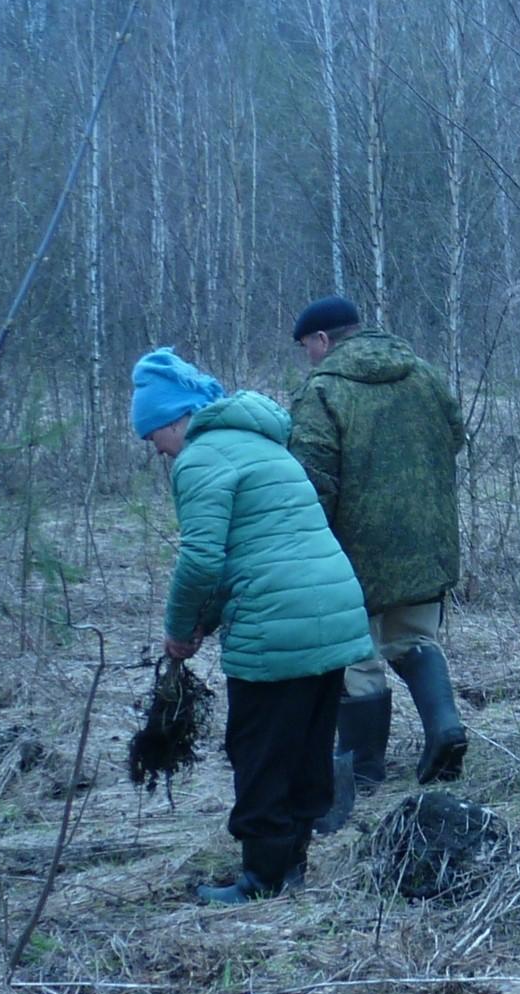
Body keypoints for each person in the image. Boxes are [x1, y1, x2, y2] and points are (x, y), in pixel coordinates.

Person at [132, 348, 372, 904]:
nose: (156, 451)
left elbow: (201, 562)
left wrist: (178, 630)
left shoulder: (199, 460)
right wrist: (203, 625)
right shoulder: (264, 444)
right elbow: (246, 557)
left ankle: (260, 881)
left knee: (258, 750)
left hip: (276, 624)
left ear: (173, 420)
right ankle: (293, 867)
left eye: (152, 437)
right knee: (306, 744)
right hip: (332, 612)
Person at [288, 295, 471, 795]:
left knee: (356, 657)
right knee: (415, 638)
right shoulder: (425, 374)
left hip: (354, 548)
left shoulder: (322, 391)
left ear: (323, 340)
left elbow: (311, 476)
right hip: (426, 539)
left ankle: (364, 773)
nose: (307, 356)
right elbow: (455, 437)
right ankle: (445, 729)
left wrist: (306, 552)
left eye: (307, 346)